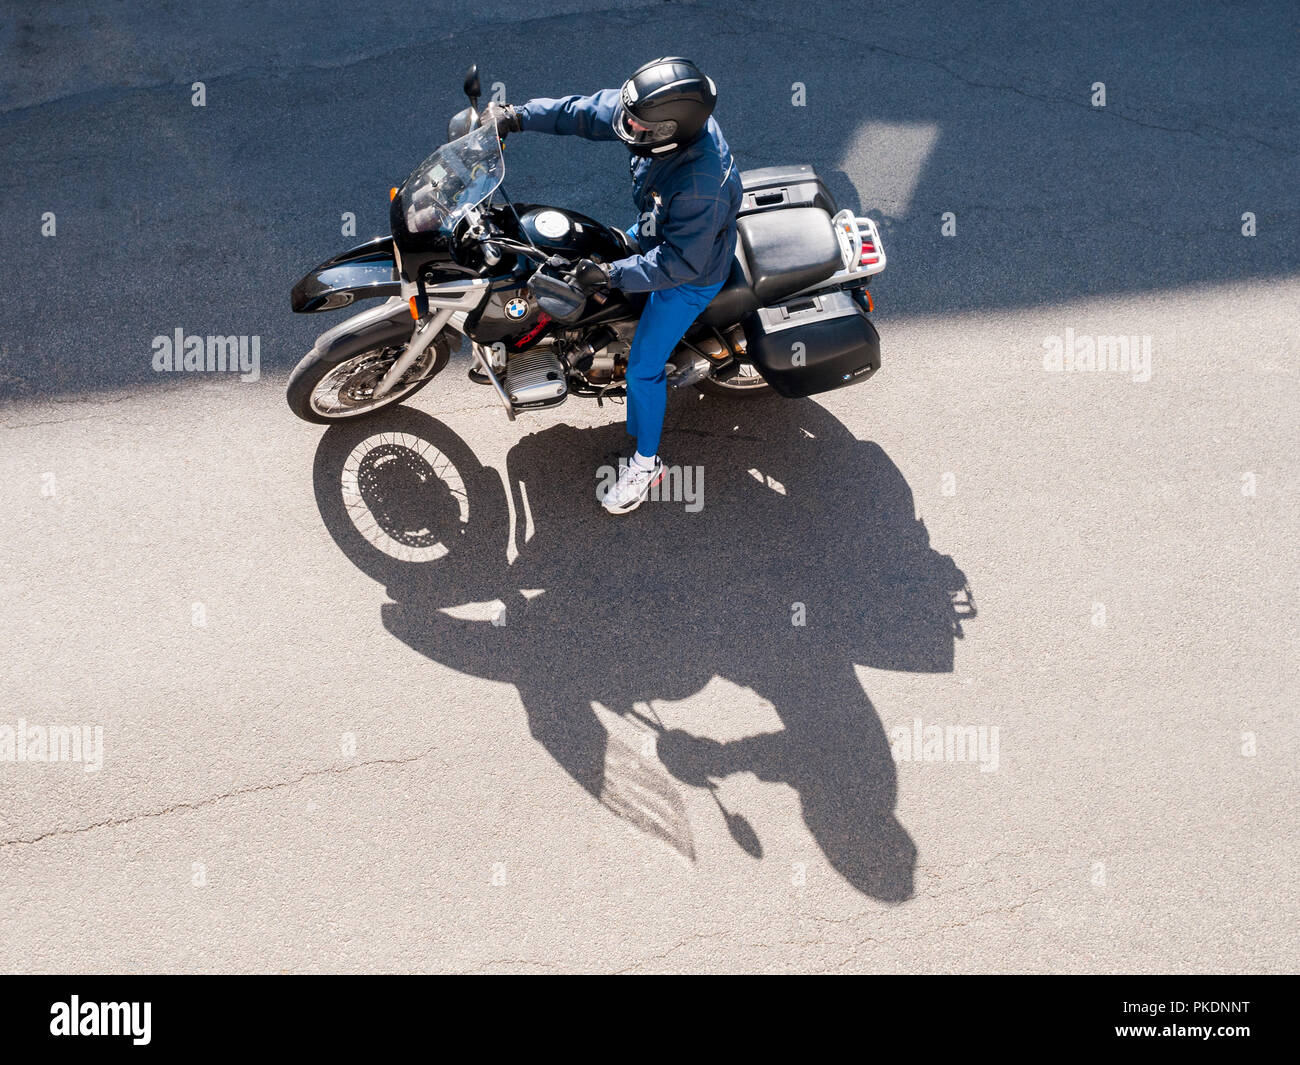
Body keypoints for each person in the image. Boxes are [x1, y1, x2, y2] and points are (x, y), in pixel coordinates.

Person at [481, 57, 743, 514]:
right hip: (660, 229)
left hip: (690, 274)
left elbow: (680, 262)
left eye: (639, 125)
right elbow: (584, 112)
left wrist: (613, 274)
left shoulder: (701, 185)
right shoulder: (657, 124)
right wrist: (517, 116)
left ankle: (647, 465)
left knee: (643, 365)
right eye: (631, 116)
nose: (627, 126)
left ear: (668, 131)